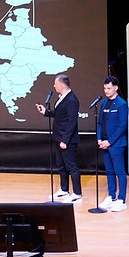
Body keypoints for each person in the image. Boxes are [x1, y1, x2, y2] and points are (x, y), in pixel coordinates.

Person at [35, 73, 83, 203]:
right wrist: (46, 112)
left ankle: (77, 194)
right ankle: (64, 190)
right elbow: (58, 114)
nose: (54, 86)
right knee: (61, 165)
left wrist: (65, 140)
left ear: (61, 86)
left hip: (67, 140)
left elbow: (72, 122)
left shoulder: (72, 100)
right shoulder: (61, 97)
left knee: (71, 166)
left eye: (55, 84)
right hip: (58, 137)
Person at [96, 75, 129, 212]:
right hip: (103, 143)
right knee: (109, 171)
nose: (106, 91)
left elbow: (122, 126)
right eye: (105, 88)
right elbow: (100, 122)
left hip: (116, 144)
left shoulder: (122, 104)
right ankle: (111, 196)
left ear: (116, 88)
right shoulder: (104, 103)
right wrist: (99, 138)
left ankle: (121, 200)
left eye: (109, 88)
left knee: (119, 171)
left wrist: (109, 142)